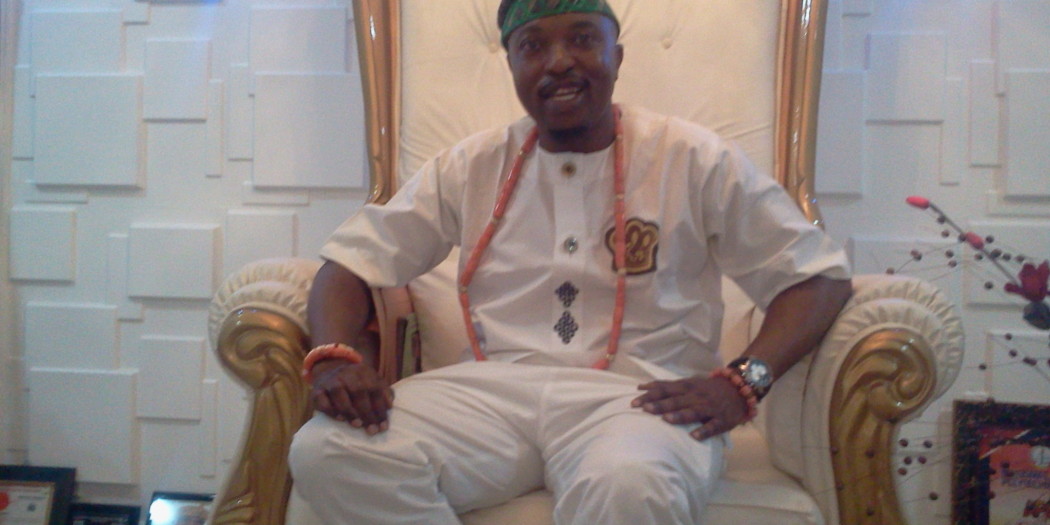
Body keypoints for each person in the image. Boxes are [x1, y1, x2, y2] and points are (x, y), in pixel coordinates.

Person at [289, 1, 853, 523]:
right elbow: (350, 263)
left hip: (643, 400)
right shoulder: (471, 164)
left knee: (630, 484)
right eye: (533, 46)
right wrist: (334, 358)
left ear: (617, 57)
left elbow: (817, 278)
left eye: (582, 39)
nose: (559, 62)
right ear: (512, 66)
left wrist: (742, 382)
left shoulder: (694, 157)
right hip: (487, 393)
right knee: (327, 450)